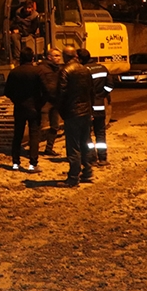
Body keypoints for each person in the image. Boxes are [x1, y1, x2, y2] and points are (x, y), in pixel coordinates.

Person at [56, 46, 94, 187]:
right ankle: (87, 171)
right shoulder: (85, 70)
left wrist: (62, 111)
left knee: (73, 147)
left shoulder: (65, 71)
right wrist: (90, 111)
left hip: (72, 113)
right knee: (85, 143)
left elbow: (61, 94)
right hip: (85, 112)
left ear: (64, 56)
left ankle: (73, 178)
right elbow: (91, 92)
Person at [3, 46, 44, 173]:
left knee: (17, 135)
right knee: (34, 136)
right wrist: (40, 103)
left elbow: (7, 92)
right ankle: (33, 164)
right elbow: (45, 90)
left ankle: (15, 163)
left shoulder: (14, 72)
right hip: (34, 108)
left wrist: (17, 101)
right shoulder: (38, 72)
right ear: (32, 58)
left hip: (19, 107)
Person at [78, 48, 114, 165]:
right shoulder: (102, 68)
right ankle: (103, 158)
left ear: (80, 59)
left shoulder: (83, 70)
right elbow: (110, 85)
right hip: (100, 106)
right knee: (100, 133)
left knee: (86, 134)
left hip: (88, 108)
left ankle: (91, 158)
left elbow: (82, 90)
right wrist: (102, 95)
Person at [37, 47, 63, 157]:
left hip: (55, 101)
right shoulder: (42, 68)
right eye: (56, 56)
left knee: (55, 126)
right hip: (44, 101)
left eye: (59, 56)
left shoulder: (58, 69)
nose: (58, 58)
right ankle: (34, 150)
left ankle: (49, 148)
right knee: (39, 126)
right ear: (49, 57)